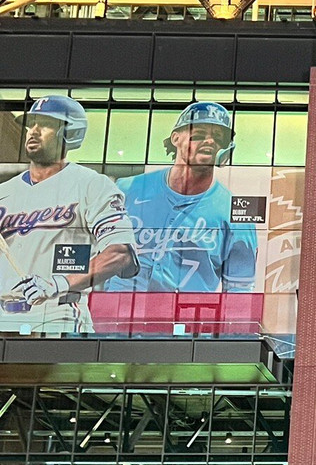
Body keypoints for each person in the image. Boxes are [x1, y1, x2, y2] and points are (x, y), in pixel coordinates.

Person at [0, 95, 138, 333]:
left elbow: (120, 253)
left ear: (71, 133)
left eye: (46, 124)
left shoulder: (92, 185)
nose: (33, 131)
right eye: (31, 123)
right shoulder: (4, 192)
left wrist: (58, 283)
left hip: (58, 311)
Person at [107, 102, 257, 293]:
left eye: (218, 138)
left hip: (188, 316)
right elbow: (96, 255)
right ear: (176, 138)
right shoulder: (127, 189)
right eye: (199, 134)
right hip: (119, 314)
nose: (210, 142)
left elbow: (239, 293)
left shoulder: (235, 214)